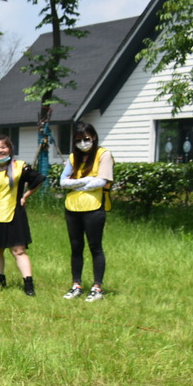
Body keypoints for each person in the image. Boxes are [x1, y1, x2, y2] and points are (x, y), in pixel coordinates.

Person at [0, 135, 45, 296]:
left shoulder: (20, 167)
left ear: (10, 149)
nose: (0, 150)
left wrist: (25, 196)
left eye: (3, 147)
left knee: (18, 251)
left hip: (14, 214)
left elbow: (38, 179)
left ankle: (28, 284)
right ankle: (0, 281)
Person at [59, 122, 112, 302]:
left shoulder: (103, 155)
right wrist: (87, 180)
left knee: (95, 247)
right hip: (72, 208)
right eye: (79, 140)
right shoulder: (73, 157)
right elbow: (62, 181)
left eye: (86, 139)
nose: (83, 143)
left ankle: (97, 288)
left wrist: (77, 182)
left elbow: (101, 181)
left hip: (94, 208)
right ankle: (76, 285)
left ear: (94, 137)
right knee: (76, 247)